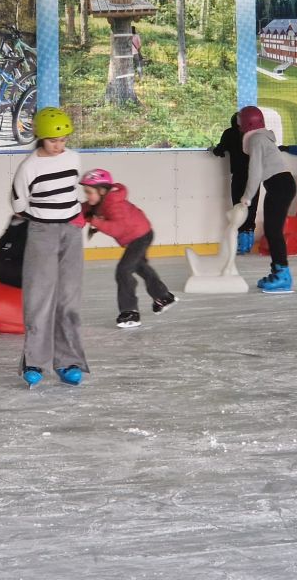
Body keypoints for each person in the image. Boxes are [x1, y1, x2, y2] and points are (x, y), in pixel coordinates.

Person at [10, 107, 88, 388]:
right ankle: (35, 362)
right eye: (54, 140)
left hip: (71, 232)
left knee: (68, 299)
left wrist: (74, 219)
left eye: (63, 140)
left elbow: (74, 191)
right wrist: (43, 220)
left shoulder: (73, 158)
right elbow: (19, 203)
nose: (59, 145)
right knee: (39, 298)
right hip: (42, 233)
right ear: (41, 138)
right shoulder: (28, 167)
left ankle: (68, 361)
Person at [80, 168, 176, 329]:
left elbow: (117, 229)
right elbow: (84, 209)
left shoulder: (113, 205)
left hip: (140, 237)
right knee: (140, 267)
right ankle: (163, 297)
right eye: (86, 192)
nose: (87, 196)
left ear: (102, 191)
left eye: (89, 192)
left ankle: (130, 312)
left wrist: (95, 222)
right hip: (139, 235)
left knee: (123, 271)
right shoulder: (101, 202)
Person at [238, 106, 297, 294]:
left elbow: (255, 172)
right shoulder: (261, 138)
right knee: (271, 230)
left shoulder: (256, 139)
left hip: (280, 185)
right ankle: (278, 271)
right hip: (280, 185)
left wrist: (247, 197)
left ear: (248, 122)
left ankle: (283, 275)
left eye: (241, 121)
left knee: (273, 231)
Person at [211, 113, 255, 254]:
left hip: (239, 175)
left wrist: (214, 149)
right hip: (254, 175)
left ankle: (242, 243)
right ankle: (249, 240)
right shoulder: (253, 134)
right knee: (251, 205)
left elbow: (220, 150)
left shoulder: (229, 133)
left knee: (239, 207)